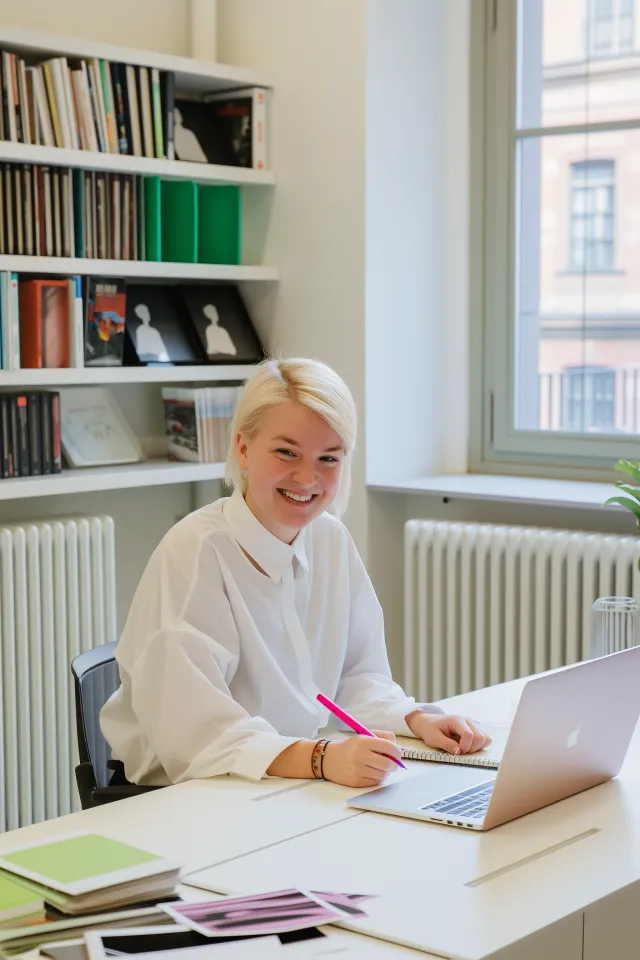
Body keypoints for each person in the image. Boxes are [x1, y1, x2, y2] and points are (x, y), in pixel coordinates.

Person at [100, 358, 490, 788]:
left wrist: (415, 720)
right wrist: (322, 758)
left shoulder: (331, 540)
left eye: (328, 458)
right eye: (287, 452)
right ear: (243, 448)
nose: (307, 477)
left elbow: (357, 675)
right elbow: (197, 736)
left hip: (282, 778)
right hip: (179, 793)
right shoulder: (195, 553)